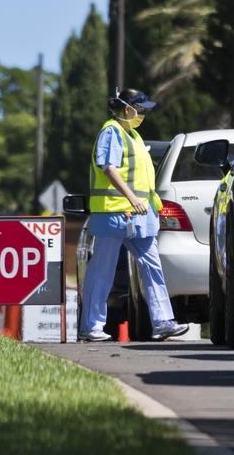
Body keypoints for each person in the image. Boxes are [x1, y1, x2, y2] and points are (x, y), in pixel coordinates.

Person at [80, 89, 189, 342]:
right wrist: (131, 197)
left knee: (152, 266)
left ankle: (163, 322)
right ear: (126, 109)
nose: (143, 114)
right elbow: (108, 167)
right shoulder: (112, 131)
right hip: (114, 212)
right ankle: (92, 326)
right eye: (140, 110)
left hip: (139, 215)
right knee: (102, 270)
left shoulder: (134, 136)